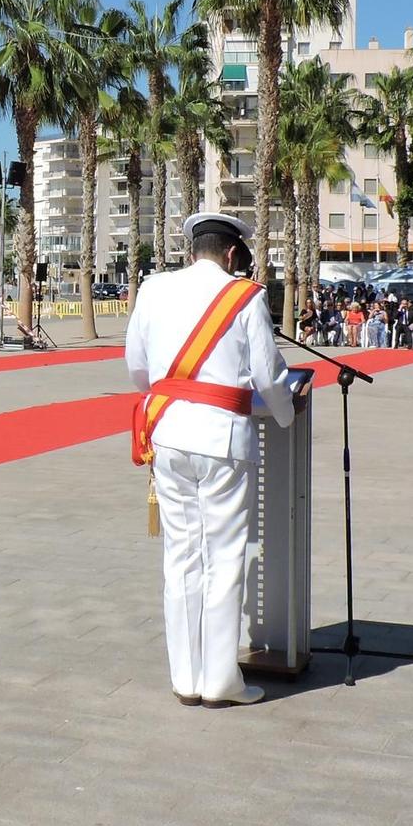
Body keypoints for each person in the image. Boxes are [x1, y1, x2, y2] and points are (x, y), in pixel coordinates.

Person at [125, 211, 305, 710]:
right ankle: (221, 681)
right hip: (222, 439)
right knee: (224, 558)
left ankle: (185, 678)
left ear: (192, 251)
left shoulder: (152, 290)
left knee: (181, 556)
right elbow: (269, 377)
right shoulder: (244, 295)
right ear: (232, 254)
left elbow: (137, 369)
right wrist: (288, 414)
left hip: (167, 433)